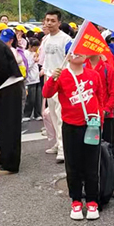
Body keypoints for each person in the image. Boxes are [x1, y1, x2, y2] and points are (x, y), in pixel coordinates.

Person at [43, 43, 103, 220]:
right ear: (67, 55)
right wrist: (52, 78)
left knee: (92, 165)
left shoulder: (93, 75)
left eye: (81, 52)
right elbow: (47, 93)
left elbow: (98, 97)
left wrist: (99, 119)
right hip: (70, 126)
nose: (78, 55)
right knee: (73, 165)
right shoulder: (62, 75)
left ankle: (92, 201)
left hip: (92, 126)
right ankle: (76, 201)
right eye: (73, 52)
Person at [0, 28, 25, 175]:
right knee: (2, 125)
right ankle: (3, 157)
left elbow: (3, 68)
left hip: (10, 86)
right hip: (4, 86)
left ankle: (11, 164)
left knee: (9, 126)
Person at [39, 9, 73, 163]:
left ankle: (64, 148)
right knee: (52, 114)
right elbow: (46, 61)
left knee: (60, 116)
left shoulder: (66, 40)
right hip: (49, 80)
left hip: (62, 82)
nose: (49, 23)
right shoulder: (45, 39)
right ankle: (57, 143)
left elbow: (70, 62)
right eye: (47, 20)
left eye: (53, 21)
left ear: (59, 22)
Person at [22, 38, 42, 122]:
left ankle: (38, 114)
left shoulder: (35, 53)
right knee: (31, 98)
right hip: (30, 79)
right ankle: (27, 114)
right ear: (30, 46)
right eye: (35, 47)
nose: (36, 49)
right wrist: (34, 61)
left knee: (38, 98)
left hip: (36, 77)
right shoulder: (25, 53)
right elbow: (27, 66)